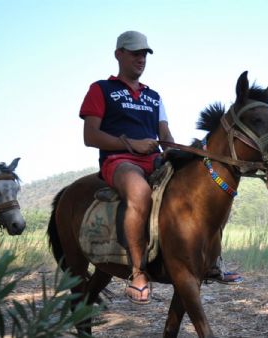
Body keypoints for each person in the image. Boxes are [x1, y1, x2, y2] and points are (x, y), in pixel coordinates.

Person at [80, 31, 174, 304]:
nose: (141, 59)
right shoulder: (101, 89)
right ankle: (138, 272)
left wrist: (178, 152)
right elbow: (90, 136)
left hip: (154, 159)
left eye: (144, 54)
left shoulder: (154, 96)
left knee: (202, 185)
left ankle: (209, 260)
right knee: (139, 191)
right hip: (119, 161)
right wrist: (132, 144)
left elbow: (165, 135)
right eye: (135, 53)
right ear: (119, 54)